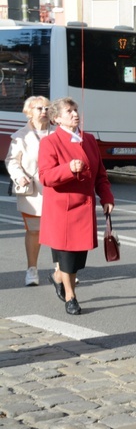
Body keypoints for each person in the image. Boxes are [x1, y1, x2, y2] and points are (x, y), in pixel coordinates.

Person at [38, 97, 115, 315]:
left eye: (75, 110)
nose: (74, 114)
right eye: (69, 111)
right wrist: (68, 169)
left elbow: (101, 174)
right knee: (68, 258)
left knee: (78, 259)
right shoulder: (50, 142)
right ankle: (71, 296)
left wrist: (107, 197)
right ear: (56, 118)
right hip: (62, 210)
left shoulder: (88, 140)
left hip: (84, 208)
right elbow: (45, 177)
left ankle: (57, 278)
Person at [4, 96, 51, 287]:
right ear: (29, 112)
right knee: (34, 231)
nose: (44, 112)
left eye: (47, 108)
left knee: (58, 229)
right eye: (40, 108)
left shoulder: (58, 133)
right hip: (32, 192)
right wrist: (19, 175)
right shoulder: (20, 135)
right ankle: (32, 269)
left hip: (56, 189)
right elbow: (11, 160)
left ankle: (62, 269)